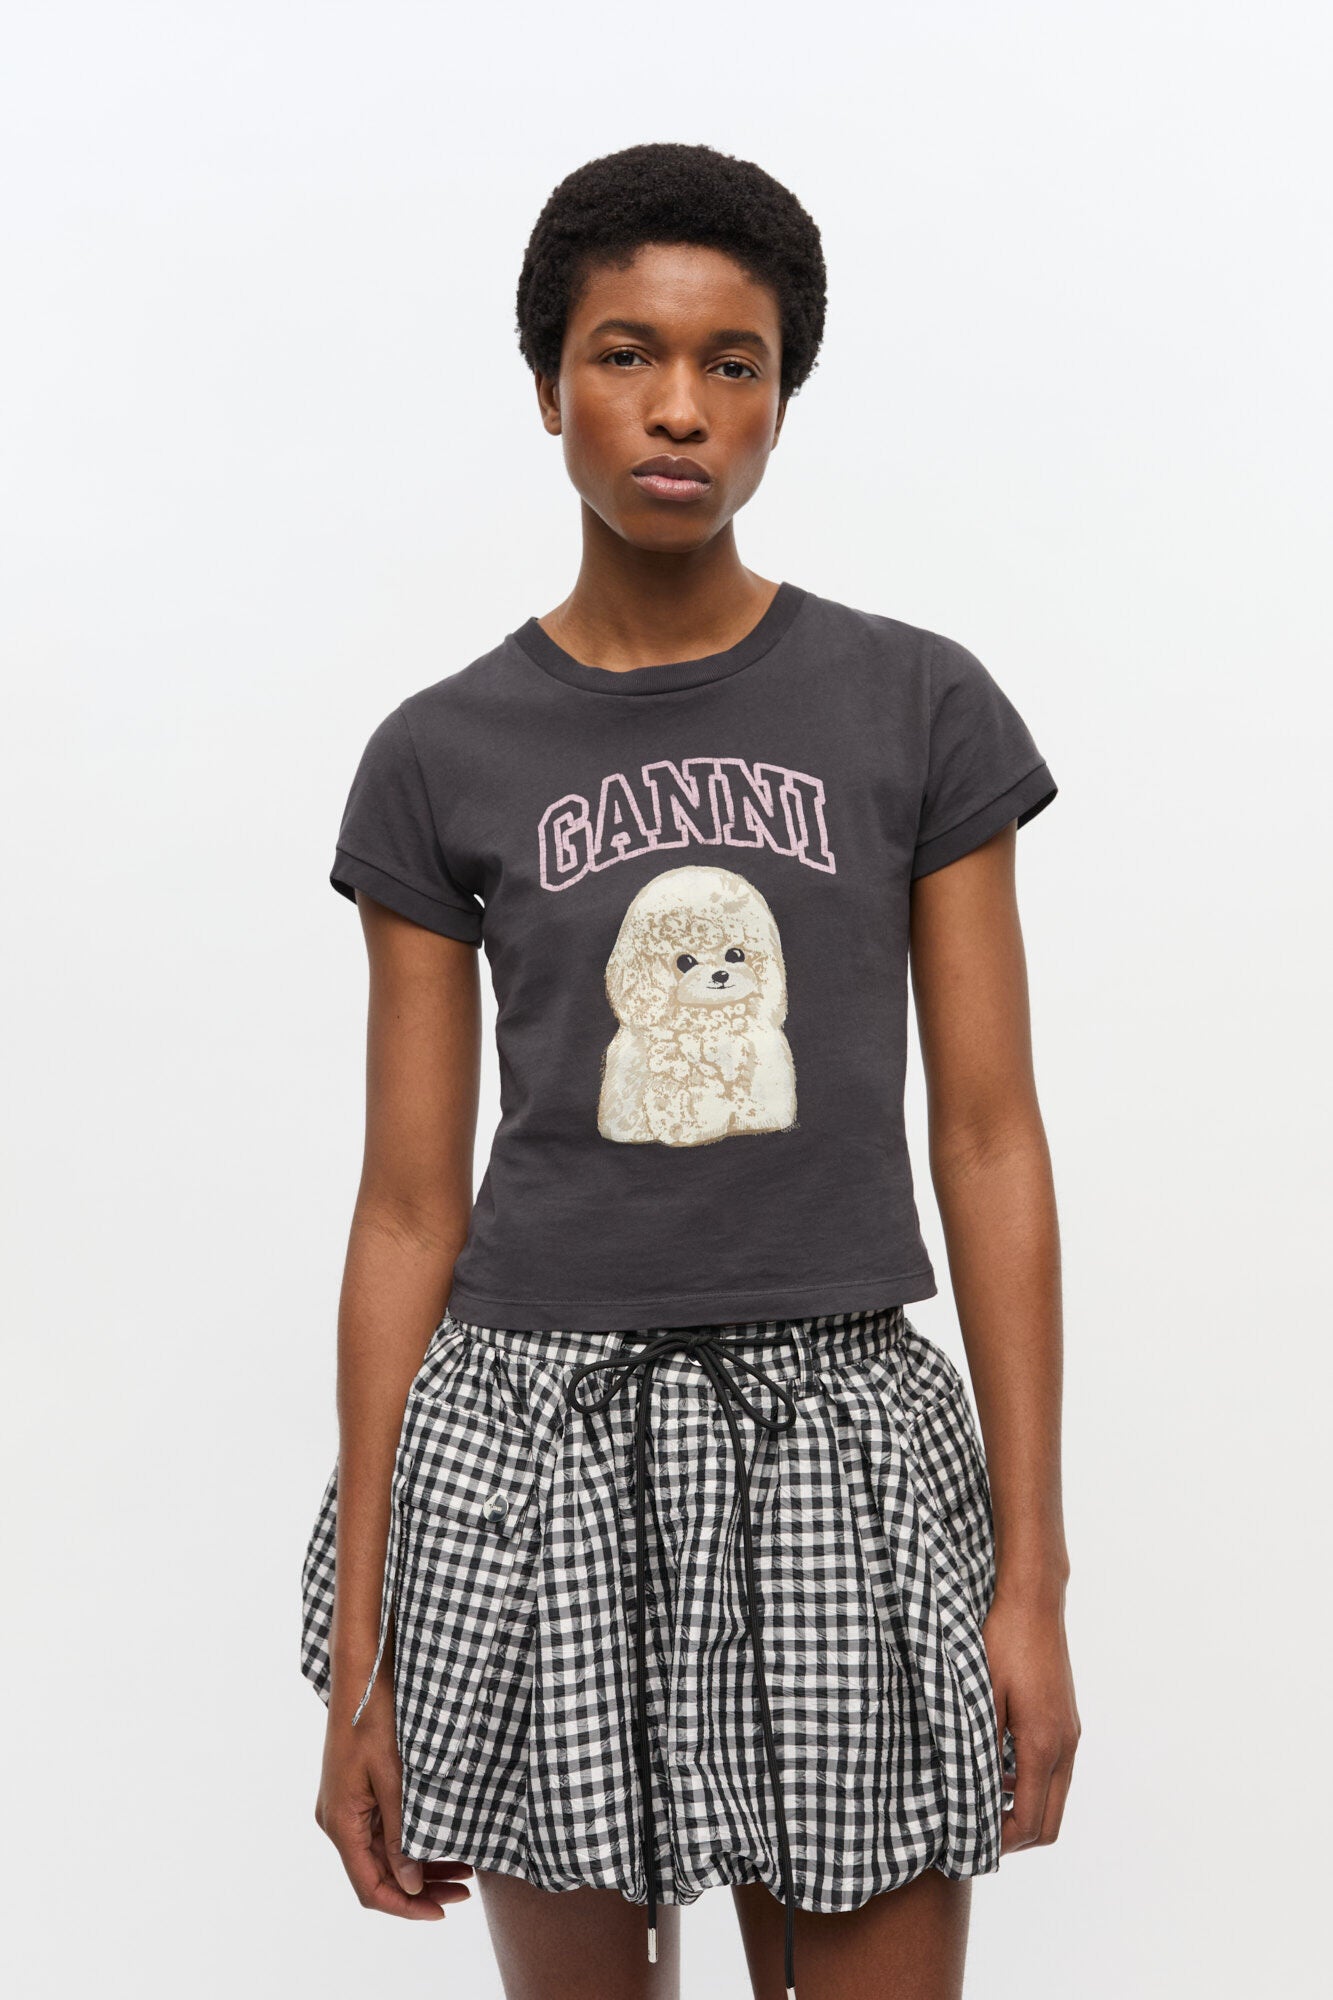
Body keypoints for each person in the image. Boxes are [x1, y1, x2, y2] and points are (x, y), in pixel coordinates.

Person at [300, 140, 1079, 2000]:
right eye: (625, 354)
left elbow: (987, 1138)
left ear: (780, 400)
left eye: (734, 364)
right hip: (530, 1452)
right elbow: (406, 1205)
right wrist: (368, 1654)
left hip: (841, 1434)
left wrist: (1032, 1576)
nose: (678, 408)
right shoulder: (438, 754)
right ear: (546, 386)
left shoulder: (915, 704)